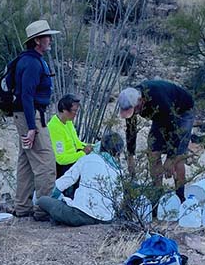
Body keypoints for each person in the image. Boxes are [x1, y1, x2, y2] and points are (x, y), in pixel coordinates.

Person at [117, 79, 195, 200]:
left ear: (140, 101)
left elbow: (174, 128)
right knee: (153, 153)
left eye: (135, 110)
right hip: (161, 116)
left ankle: (180, 197)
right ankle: (157, 195)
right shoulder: (130, 101)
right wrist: (130, 156)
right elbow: (131, 129)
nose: (134, 113)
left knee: (178, 157)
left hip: (181, 112)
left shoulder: (158, 98)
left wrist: (170, 157)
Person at [12, 19, 58, 221]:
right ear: (38, 40)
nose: (50, 40)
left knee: (26, 162)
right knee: (46, 162)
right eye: (47, 37)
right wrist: (32, 127)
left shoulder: (28, 59)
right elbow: (27, 96)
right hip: (31, 116)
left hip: (24, 115)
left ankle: (22, 207)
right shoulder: (32, 63)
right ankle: (44, 209)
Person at [37, 132, 125, 227]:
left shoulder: (88, 159)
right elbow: (119, 201)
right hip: (106, 219)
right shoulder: (119, 171)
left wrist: (53, 197)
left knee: (42, 200)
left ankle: (53, 216)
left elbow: (64, 181)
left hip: (79, 215)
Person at [48, 93, 93, 177]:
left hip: (73, 161)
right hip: (63, 169)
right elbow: (61, 159)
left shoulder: (68, 121)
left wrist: (93, 146)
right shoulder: (54, 128)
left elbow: (77, 143)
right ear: (64, 110)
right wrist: (83, 153)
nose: (76, 114)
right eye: (74, 111)